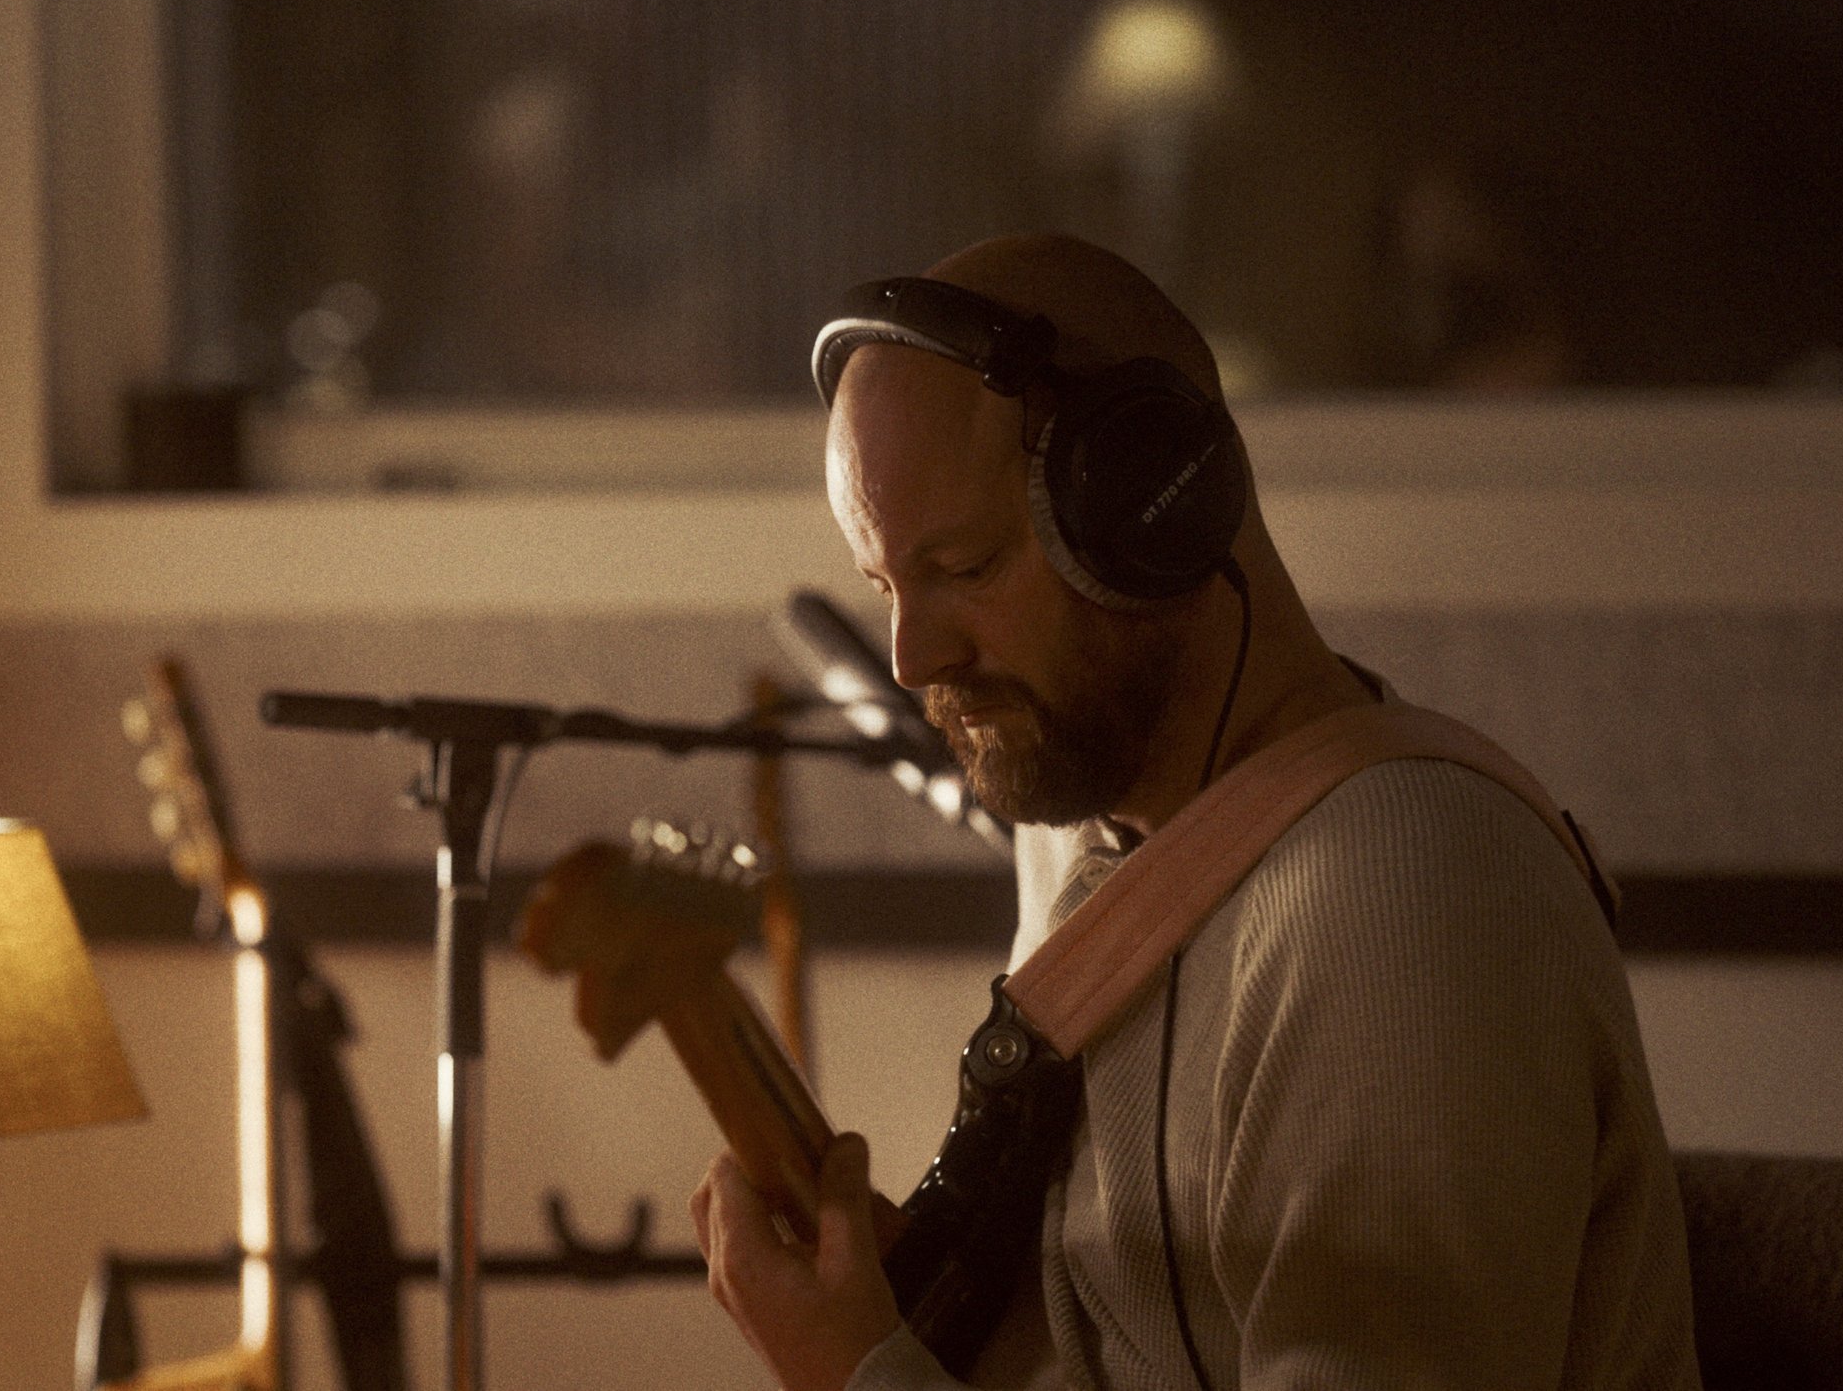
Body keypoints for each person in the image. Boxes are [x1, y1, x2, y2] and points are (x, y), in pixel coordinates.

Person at [690, 233, 1701, 1390]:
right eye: (885, 586)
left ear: (1150, 502)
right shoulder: (1077, 841)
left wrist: (857, 1373)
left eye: (963, 567)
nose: (914, 657)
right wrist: (923, 1318)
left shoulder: (1398, 905)